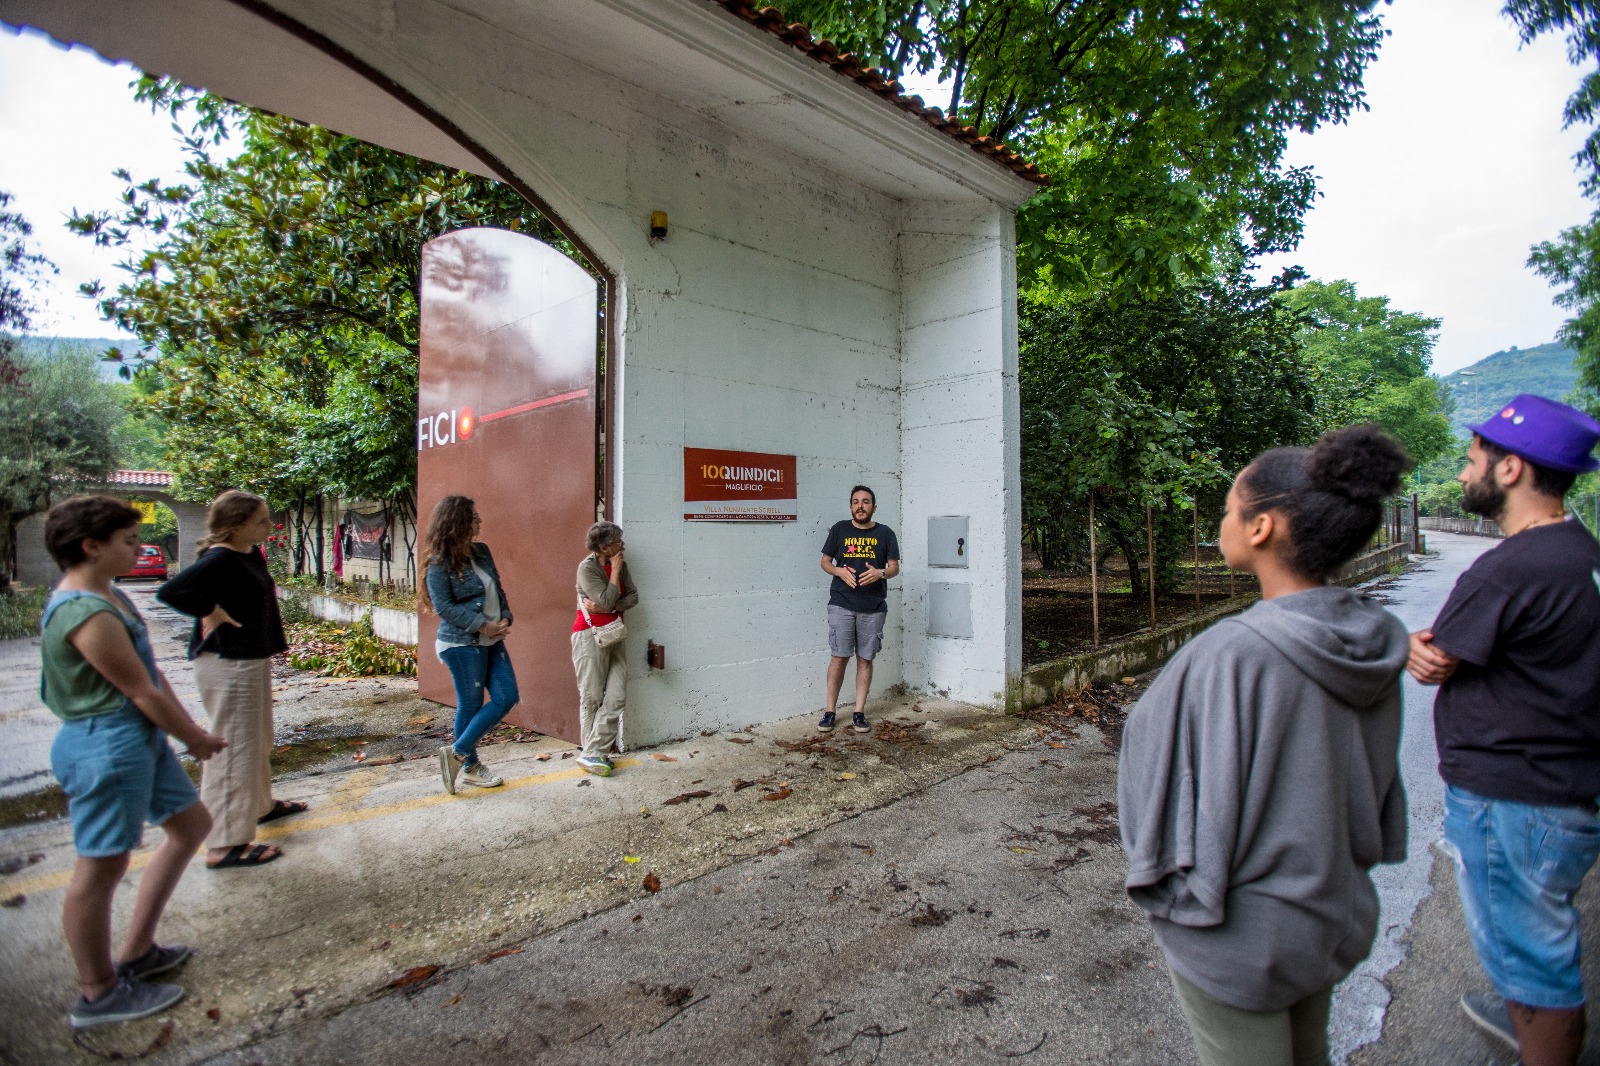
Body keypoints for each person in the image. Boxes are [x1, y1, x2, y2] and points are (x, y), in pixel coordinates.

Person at [1118, 425, 1413, 1066]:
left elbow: (1155, 787)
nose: (1222, 521)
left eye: (1228, 509)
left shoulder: (1231, 653)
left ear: (1261, 528)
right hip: (1333, 912)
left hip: (1241, 936)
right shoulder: (1375, 638)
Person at [1406, 394, 1600, 1066]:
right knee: (1542, 931)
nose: (1463, 475)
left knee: (1534, 958)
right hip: (1566, 787)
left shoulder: (1510, 568)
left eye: (1471, 460)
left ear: (1511, 469)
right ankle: (1531, 1015)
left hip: (1515, 800)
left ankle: (1542, 1035)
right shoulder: (1582, 553)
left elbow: (1435, 659)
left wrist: (1413, 649)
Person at [39, 496, 226, 1028]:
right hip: (106, 744)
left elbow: (148, 676)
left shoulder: (110, 595)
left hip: (137, 737)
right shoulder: (84, 610)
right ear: (90, 546)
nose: (140, 548)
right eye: (128, 541)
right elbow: (139, 689)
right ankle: (97, 992)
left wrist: (181, 728)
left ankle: (138, 951)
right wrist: (192, 736)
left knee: (190, 824)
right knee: (101, 868)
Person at [157, 490, 297, 870]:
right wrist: (210, 610)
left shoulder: (247, 552)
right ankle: (224, 843)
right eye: (261, 521)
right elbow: (171, 590)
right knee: (233, 749)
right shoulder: (219, 558)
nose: (269, 526)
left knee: (258, 738)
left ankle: (259, 806)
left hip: (249, 658)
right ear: (235, 526)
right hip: (227, 662)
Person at [421, 495, 519, 794]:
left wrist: (504, 617)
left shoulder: (482, 552)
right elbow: (444, 607)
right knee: (472, 704)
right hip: (461, 643)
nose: (480, 521)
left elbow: (496, 589)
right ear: (458, 522)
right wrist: (482, 625)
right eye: (474, 517)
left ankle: (458, 751)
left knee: (507, 696)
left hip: (491, 638)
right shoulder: (438, 563)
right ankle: (471, 766)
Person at [818, 485, 898, 733]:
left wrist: (880, 573)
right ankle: (830, 711)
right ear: (850, 506)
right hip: (841, 602)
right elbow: (825, 561)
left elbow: (894, 567)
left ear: (874, 507)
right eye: (856, 501)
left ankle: (859, 712)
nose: (860, 506)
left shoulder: (885, 533)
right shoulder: (839, 529)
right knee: (839, 657)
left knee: (865, 659)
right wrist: (839, 571)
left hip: (873, 607)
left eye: (865, 502)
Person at [572, 521, 637, 777]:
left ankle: (592, 752)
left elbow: (633, 596)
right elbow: (607, 598)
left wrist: (610, 607)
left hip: (615, 633)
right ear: (604, 547)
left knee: (617, 695)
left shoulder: (623, 565)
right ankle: (592, 753)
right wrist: (614, 573)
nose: (622, 545)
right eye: (618, 542)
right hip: (589, 636)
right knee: (592, 696)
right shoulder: (586, 569)